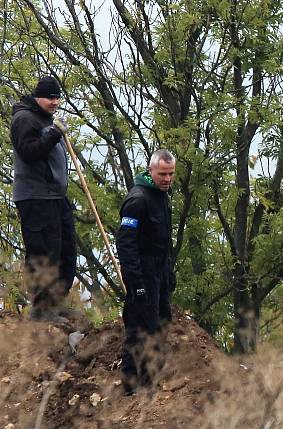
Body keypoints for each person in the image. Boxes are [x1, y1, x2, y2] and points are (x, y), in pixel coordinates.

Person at [10, 75, 76, 322]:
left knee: (66, 251)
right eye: (50, 97)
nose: (55, 102)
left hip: (55, 197)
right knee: (43, 253)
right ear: (38, 97)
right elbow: (28, 152)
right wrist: (54, 134)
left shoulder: (46, 119)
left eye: (57, 97)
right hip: (36, 197)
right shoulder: (24, 119)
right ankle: (41, 310)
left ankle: (56, 304)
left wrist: (54, 131)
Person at [116, 149, 176, 394]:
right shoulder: (137, 200)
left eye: (171, 174)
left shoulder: (162, 196)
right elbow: (125, 243)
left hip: (160, 268)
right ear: (151, 171)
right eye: (162, 174)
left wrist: (168, 271)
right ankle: (131, 385)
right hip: (143, 269)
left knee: (162, 321)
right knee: (141, 326)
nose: (167, 179)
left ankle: (153, 377)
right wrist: (136, 281)